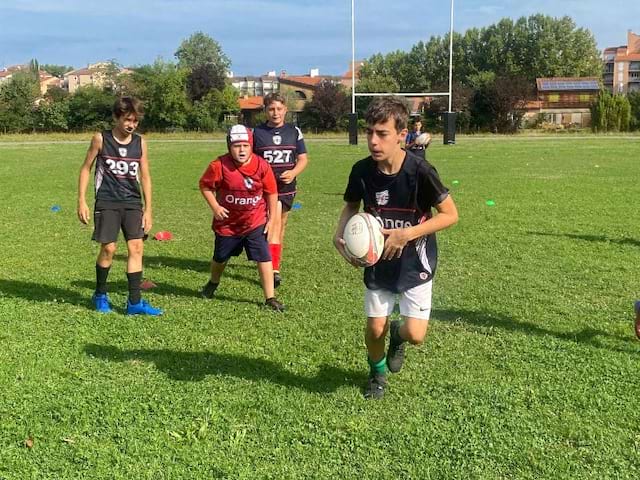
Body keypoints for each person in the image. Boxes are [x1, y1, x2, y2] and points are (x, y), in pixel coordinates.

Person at [334, 97, 458, 399]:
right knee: (375, 327)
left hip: (415, 263)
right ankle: (376, 375)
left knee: (415, 335)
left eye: (382, 133)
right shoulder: (362, 171)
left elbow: (451, 215)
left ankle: (397, 335)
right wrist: (339, 235)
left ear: (402, 135)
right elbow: (351, 206)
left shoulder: (421, 171)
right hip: (378, 262)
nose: (373, 141)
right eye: (369, 133)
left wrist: (408, 234)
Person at [77, 97, 162, 315]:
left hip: (133, 203)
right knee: (109, 248)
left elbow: (145, 176)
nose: (131, 125)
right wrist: (82, 200)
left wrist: (149, 209)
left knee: (136, 248)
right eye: (127, 120)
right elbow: (86, 168)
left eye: (135, 121)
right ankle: (100, 294)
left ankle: (134, 302)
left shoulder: (140, 142)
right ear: (116, 117)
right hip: (107, 201)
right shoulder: (100, 139)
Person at [199, 125, 285, 312]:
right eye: (237, 146)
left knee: (264, 257)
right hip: (228, 225)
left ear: (251, 146)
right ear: (229, 146)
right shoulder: (219, 166)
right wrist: (215, 206)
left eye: (246, 145)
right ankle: (213, 283)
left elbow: (272, 193)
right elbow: (205, 186)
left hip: (255, 221)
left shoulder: (262, 165)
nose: (242, 150)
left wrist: (271, 219)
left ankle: (270, 297)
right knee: (220, 258)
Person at [253, 93, 309, 288]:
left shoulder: (294, 131)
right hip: (265, 189)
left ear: (285, 110)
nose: (275, 113)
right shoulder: (256, 133)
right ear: (265, 111)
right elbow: (249, 160)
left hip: (287, 188)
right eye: (271, 109)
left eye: (279, 109)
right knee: (271, 225)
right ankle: (273, 269)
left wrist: (293, 172)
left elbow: (302, 158)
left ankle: (272, 258)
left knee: (280, 224)